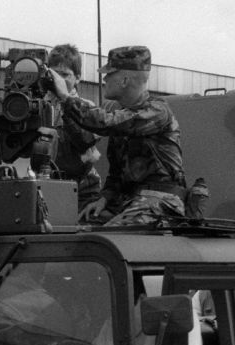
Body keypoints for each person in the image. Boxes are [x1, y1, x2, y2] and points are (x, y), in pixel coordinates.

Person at [46, 45, 187, 226]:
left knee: (109, 239)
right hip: (127, 200)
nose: (104, 78)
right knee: (78, 227)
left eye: (109, 74)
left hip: (160, 200)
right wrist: (104, 198)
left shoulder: (157, 110)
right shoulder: (121, 115)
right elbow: (116, 175)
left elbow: (105, 123)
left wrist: (66, 98)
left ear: (124, 80)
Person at [43, 44, 103, 214]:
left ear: (77, 78)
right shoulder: (39, 106)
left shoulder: (87, 107)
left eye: (64, 75)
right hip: (46, 185)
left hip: (83, 190)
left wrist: (64, 100)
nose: (58, 80)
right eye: (54, 74)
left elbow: (84, 140)